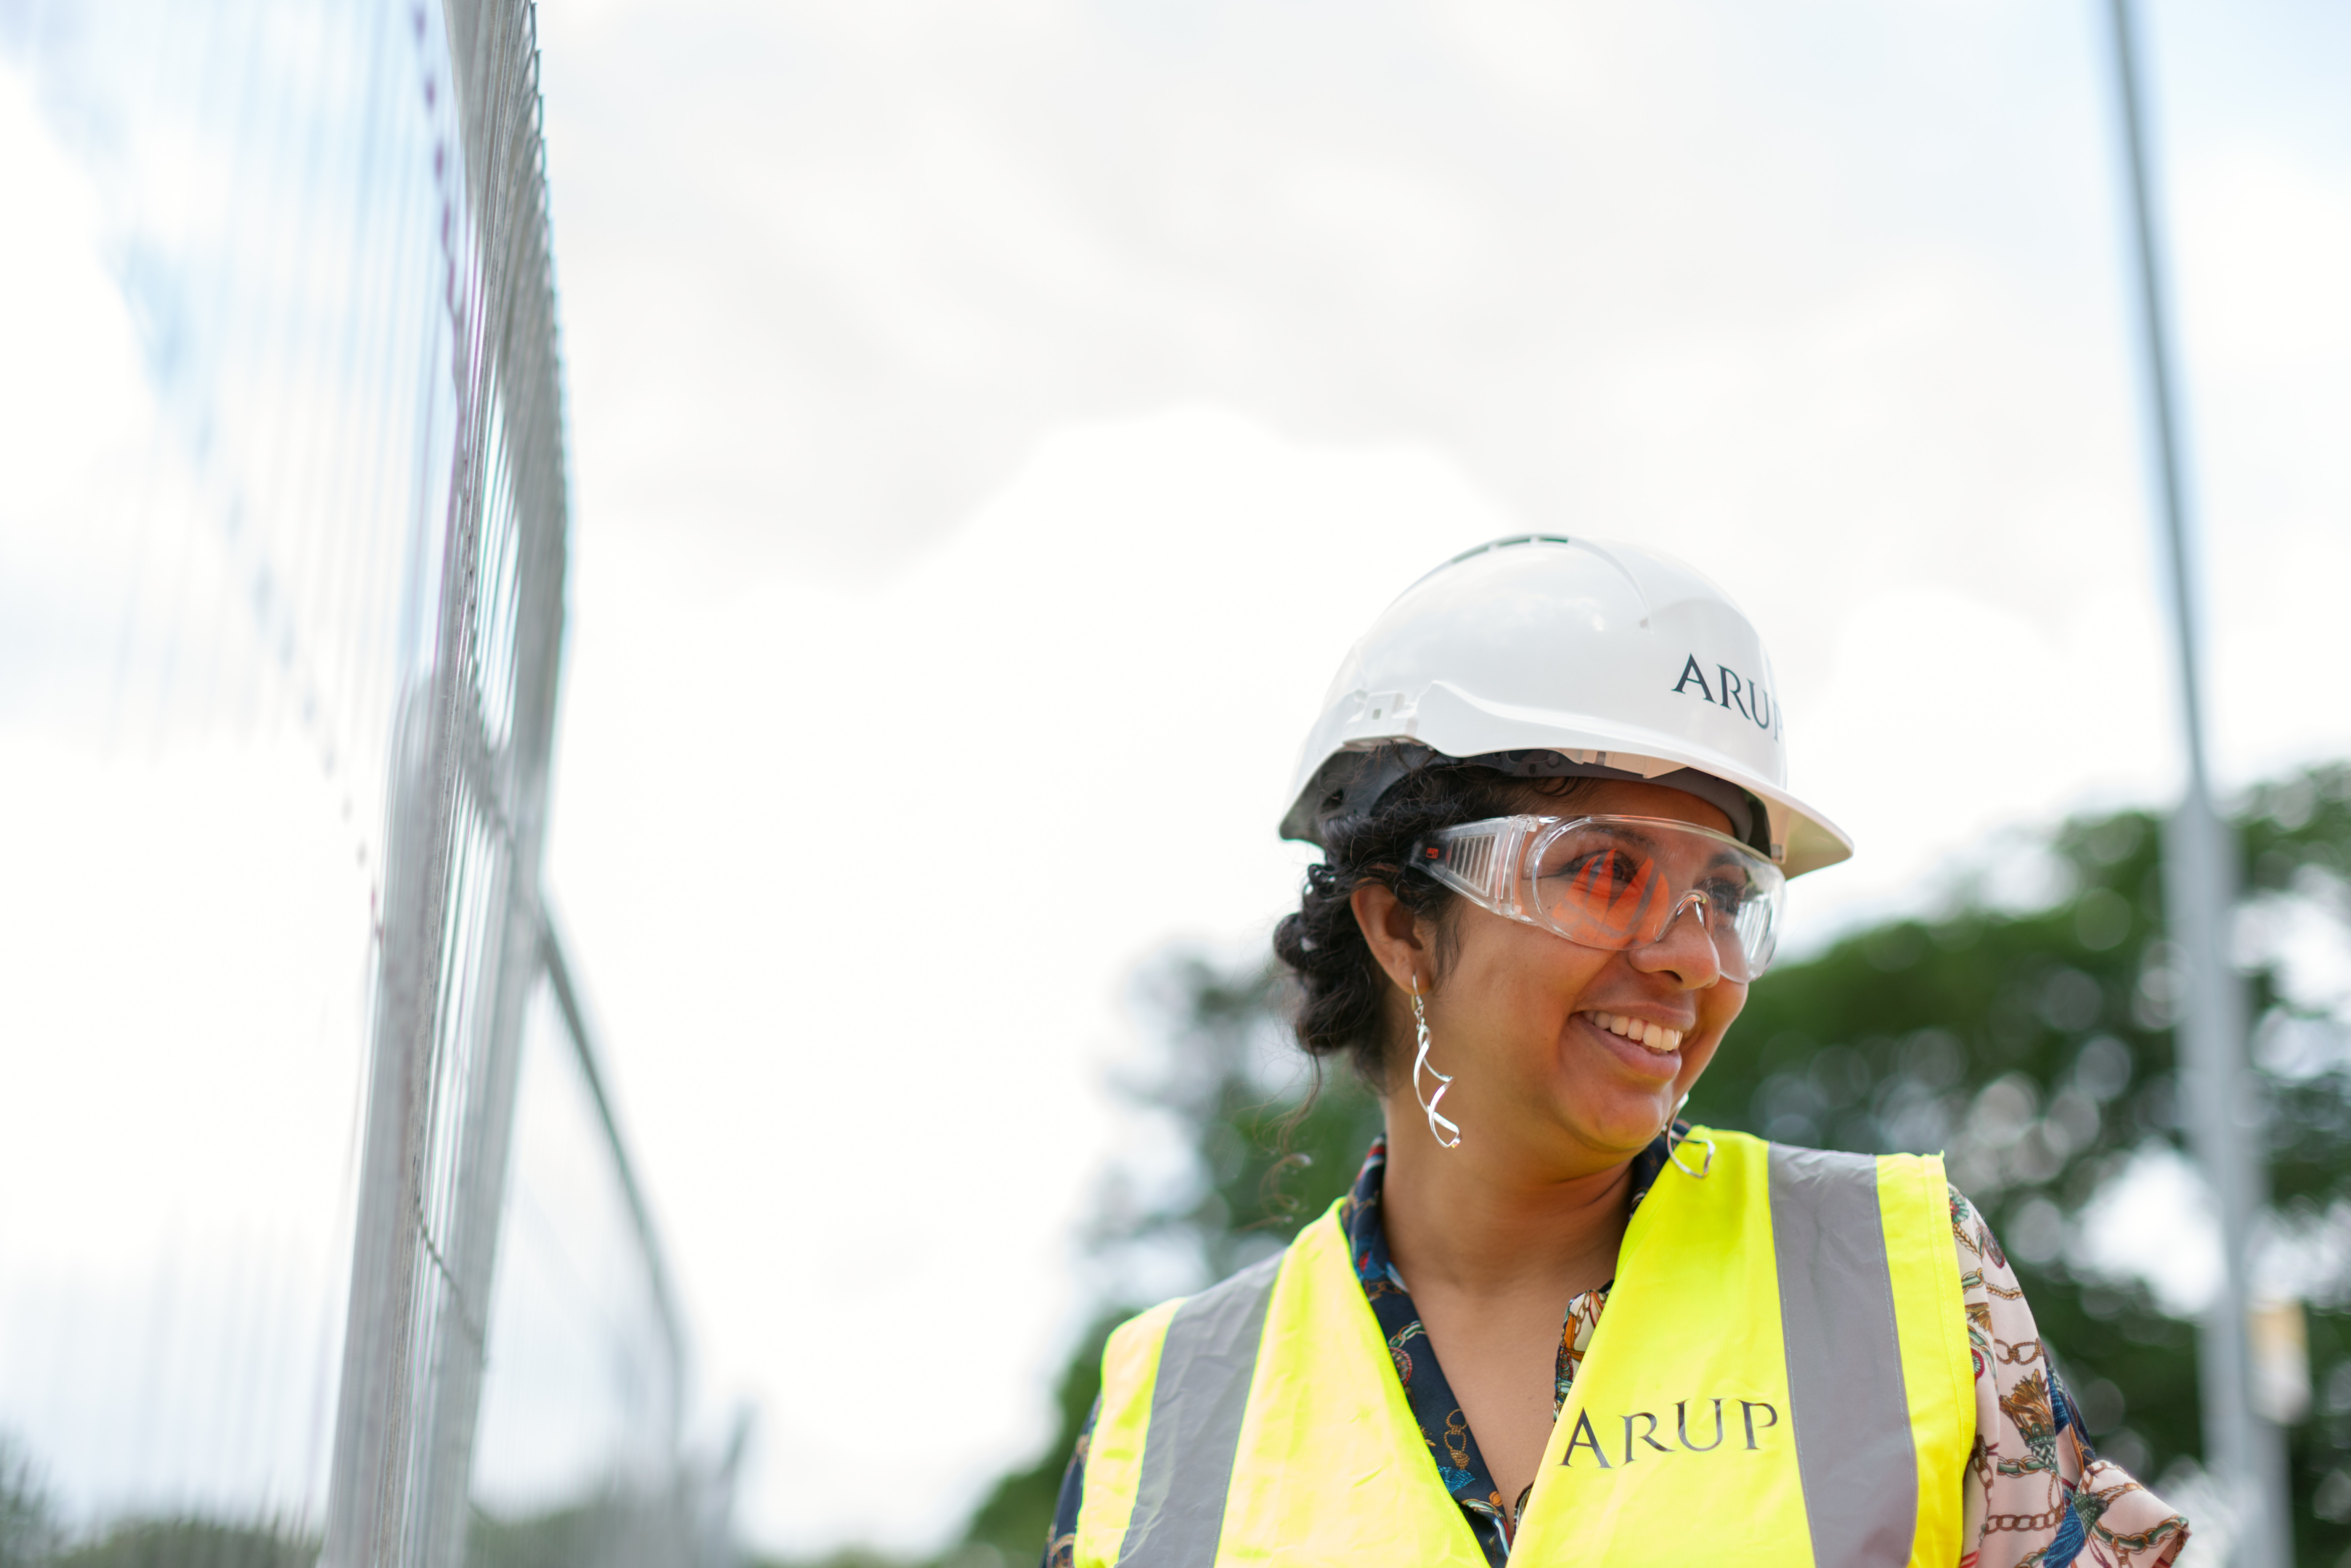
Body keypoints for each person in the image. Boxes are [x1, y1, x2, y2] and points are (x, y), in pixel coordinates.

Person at [1044, 536, 2188, 1567]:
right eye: (1602, 871)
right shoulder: (1165, 1419)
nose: (1694, 956)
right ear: (1399, 923)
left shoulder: (1901, 1281)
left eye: (1726, 893)